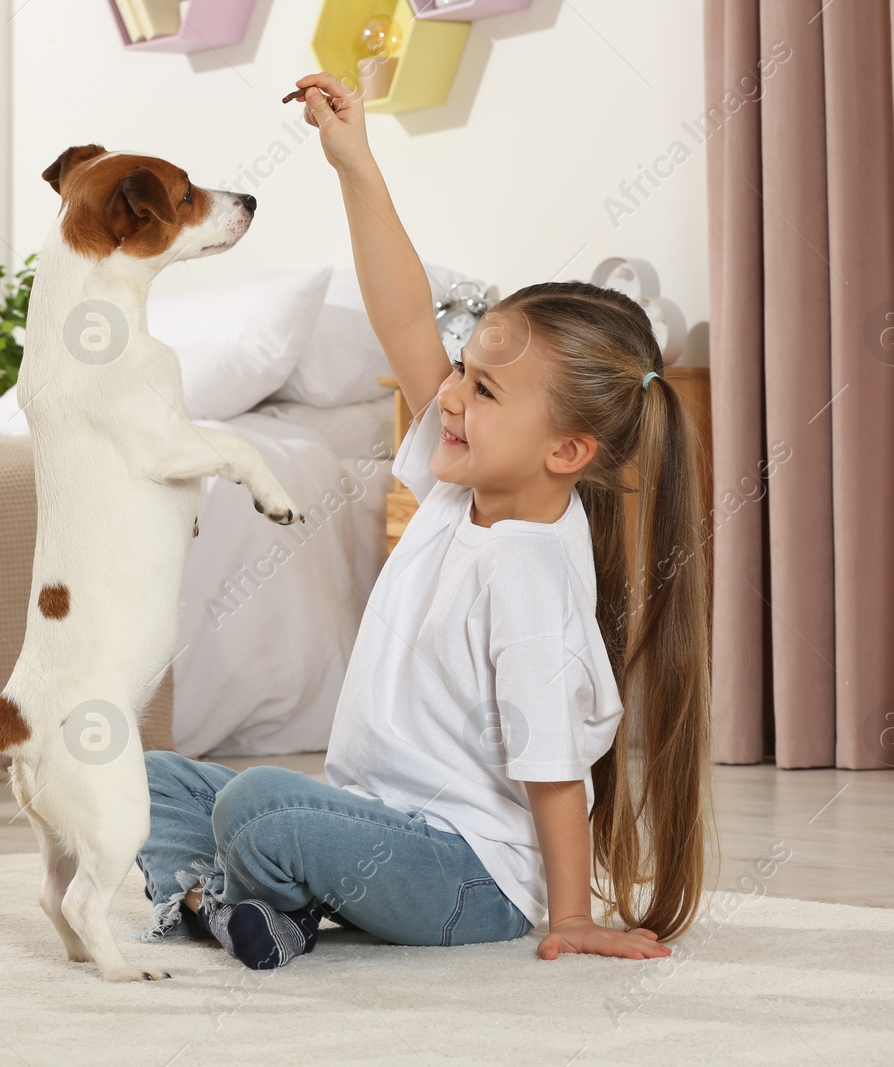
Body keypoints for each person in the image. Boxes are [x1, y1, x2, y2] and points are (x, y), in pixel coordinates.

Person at [134, 70, 714, 971]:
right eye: (460, 369)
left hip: (467, 878)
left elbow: (554, 765)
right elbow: (404, 316)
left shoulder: (526, 569)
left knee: (259, 811)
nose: (447, 393)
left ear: (566, 451)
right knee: (147, 776)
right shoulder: (462, 490)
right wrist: (354, 161)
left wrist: (568, 914)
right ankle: (230, 907)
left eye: (481, 389)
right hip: (380, 830)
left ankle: (241, 893)